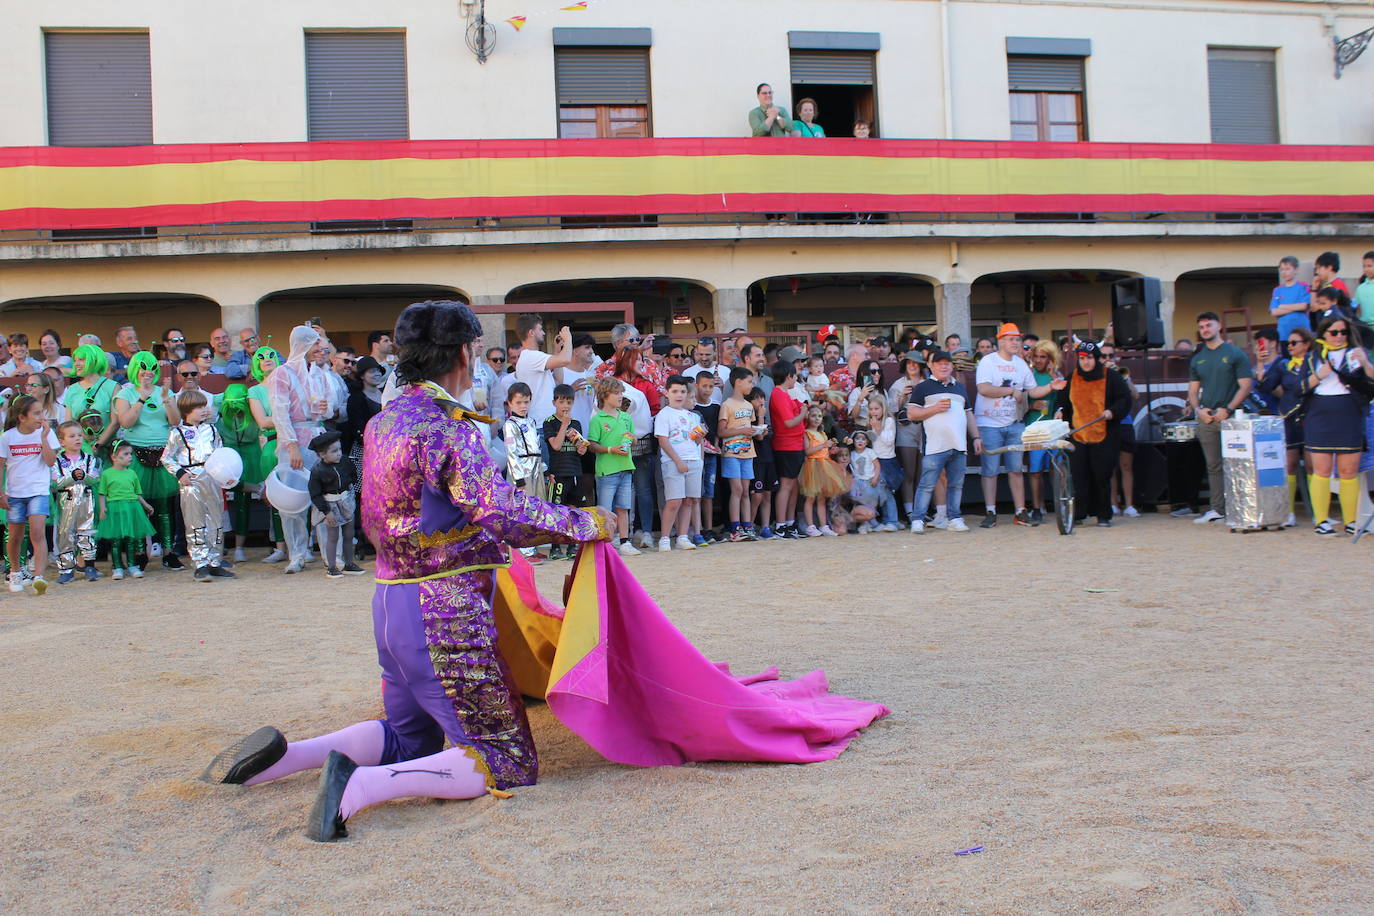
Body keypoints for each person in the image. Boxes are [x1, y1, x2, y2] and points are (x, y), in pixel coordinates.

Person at [208, 300, 615, 843]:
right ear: (466, 354)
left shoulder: (382, 422)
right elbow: (500, 512)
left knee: (408, 737)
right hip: (447, 611)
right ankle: (359, 787)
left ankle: (283, 758)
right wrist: (586, 521)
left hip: (390, 603)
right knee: (506, 761)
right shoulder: (450, 428)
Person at [974, 323, 1062, 528]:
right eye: (1012, 339)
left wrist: (1050, 386)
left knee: (1016, 469)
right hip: (989, 423)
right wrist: (1010, 391)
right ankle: (990, 511)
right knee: (990, 469)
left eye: (1018, 339)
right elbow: (983, 388)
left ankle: (1020, 511)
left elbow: (1032, 391)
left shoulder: (1021, 364)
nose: (1016, 343)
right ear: (1001, 341)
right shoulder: (989, 361)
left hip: (1014, 423)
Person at [267, 325, 330, 574]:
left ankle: (328, 553)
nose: (319, 349)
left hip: (318, 436)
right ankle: (296, 553)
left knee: (325, 496)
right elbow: (280, 411)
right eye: (315, 344)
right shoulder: (282, 373)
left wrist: (324, 408)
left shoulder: (317, 372)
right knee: (292, 500)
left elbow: (328, 409)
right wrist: (291, 445)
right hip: (294, 438)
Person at [1303, 315, 1373, 536]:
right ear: (1324, 333)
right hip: (1320, 411)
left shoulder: (1356, 353)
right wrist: (1318, 376)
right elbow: (1298, 387)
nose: (1339, 336)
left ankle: (1351, 521)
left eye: (1343, 332)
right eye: (1334, 332)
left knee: (1348, 471)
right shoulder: (1313, 356)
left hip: (1349, 410)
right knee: (1322, 470)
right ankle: (1321, 521)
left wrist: (1365, 362)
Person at [114, 351, 182, 569]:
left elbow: (175, 420)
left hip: (162, 452)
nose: (148, 372)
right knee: (139, 507)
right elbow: (125, 422)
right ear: (135, 369)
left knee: (165, 507)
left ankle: (168, 553)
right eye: (143, 368)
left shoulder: (166, 391)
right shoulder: (126, 394)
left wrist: (166, 399)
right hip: (137, 453)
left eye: (152, 368)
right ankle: (140, 553)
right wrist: (142, 397)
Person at [1186, 312, 1254, 524]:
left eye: (1209, 325)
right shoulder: (1198, 358)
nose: (1205, 329)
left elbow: (1246, 385)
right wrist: (1199, 410)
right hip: (1207, 417)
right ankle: (1217, 509)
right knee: (1213, 465)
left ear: (1219, 327)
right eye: (1202, 326)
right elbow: (1192, 391)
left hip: (1232, 418)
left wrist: (1228, 409)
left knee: (1237, 464)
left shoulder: (1235, 354)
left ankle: (1240, 507)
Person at [1058, 342, 1133, 528]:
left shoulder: (1112, 377)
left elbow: (1124, 398)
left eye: (1089, 358)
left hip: (1105, 435)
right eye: (1082, 358)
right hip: (1079, 435)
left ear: (1096, 358)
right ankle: (1079, 513)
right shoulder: (1072, 378)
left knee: (1102, 475)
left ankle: (1103, 515)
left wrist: (1112, 411)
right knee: (1079, 476)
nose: (1086, 362)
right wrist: (1060, 411)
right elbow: (1063, 401)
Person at [162, 388, 234, 581]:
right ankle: (200, 563)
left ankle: (215, 562)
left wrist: (226, 472)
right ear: (187, 410)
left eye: (204, 406)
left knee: (216, 521)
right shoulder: (177, 433)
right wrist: (180, 473)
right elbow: (167, 458)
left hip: (212, 478)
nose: (204, 410)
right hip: (191, 479)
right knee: (195, 522)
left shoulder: (211, 429)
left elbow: (220, 453)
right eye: (198, 407)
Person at [906, 350, 978, 533]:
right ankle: (917, 519)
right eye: (939, 363)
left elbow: (968, 413)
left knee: (956, 484)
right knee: (927, 483)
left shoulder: (960, 388)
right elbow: (912, 414)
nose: (944, 366)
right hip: (934, 445)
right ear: (931, 365)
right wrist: (935, 408)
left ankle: (954, 518)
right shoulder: (923, 387)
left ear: (952, 366)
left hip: (959, 445)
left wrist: (976, 437)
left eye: (947, 363)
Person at [1257, 326, 1315, 527]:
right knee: (1289, 466)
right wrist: (1260, 365)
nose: (1290, 346)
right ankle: (1288, 512)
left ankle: (1318, 512)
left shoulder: (1314, 363)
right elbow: (1266, 386)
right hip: (1289, 418)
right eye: (1288, 343)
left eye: (1294, 343)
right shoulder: (1283, 365)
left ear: (1306, 344)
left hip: (1310, 417)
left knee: (1312, 466)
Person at [0, 395, 58, 594]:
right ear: (21, 417)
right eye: (36, 413)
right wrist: (0, 493)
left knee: (37, 532)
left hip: (38, 491)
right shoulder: (7, 437)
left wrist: (43, 439)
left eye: (41, 412)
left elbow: (51, 462)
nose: (40, 417)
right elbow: (0, 467)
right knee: (15, 536)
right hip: (15, 492)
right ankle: (15, 572)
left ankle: (39, 576)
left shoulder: (47, 434)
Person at [586, 377, 640, 557]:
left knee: (624, 507)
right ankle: (605, 543)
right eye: (616, 393)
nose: (620, 396)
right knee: (605, 509)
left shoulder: (626, 417)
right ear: (604, 395)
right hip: (607, 470)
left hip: (625, 467)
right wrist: (611, 449)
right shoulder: (597, 419)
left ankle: (624, 541)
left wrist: (633, 439)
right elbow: (592, 445)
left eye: (621, 393)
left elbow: (632, 439)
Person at [246, 347, 288, 564]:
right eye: (260, 357)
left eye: (271, 355)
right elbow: (262, 422)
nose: (266, 359)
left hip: (292, 442)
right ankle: (280, 546)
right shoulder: (255, 392)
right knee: (276, 498)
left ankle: (304, 545)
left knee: (301, 492)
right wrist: (286, 416)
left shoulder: (288, 386)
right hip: (272, 445)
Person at [654, 375, 705, 551]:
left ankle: (683, 536)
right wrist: (678, 461)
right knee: (673, 501)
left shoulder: (693, 416)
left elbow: (696, 442)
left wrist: (699, 439)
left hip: (693, 460)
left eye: (683, 391)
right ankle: (665, 538)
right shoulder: (664, 414)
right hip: (673, 462)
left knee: (689, 500)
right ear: (667, 393)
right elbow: (663, 441)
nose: (679, 395)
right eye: (675, 391)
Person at [306, 431, 362, 578]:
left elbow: (353, 476)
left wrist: (350, 495)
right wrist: (326, 511)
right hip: (330, 504)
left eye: (339, 449)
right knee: (333, 536)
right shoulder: (318, 471)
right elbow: (315, 494)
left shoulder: (345, 462)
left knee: (349, 534)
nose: (338, 453)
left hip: (346, 501)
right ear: (322, 455)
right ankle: (331, 567)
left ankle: (348, 563)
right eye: (334, 451)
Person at [51, 420, 102, 584]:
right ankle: (66, 569)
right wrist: (70, 478)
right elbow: (54, 483)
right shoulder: (57, 461)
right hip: (66, 503)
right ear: (62, 441)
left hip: (86, 502)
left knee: (87, 534)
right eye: (71, 436)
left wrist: (85, 477)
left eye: (79, 435)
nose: (77, 439)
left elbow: (95, 478)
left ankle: (89, 566)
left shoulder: (89, 459)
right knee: (65, 535)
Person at [95, 442, 155, 580]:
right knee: (115, 541)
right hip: (115, 508)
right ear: (114, 457)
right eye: (125, 454)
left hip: (131, 508)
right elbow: (102, 493)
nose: (130, 457)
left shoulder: (132, 473)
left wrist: (146, 505)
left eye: (130, 454)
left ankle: (132, 566)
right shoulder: (106, 474)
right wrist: (102, 508)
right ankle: (117, 567)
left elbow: (137, 493)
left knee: (130, 539)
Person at [543, 384, 589, 561]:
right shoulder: (549, 422)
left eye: (569, 402)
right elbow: (555, 445)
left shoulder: (576, 423)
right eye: (562, 401)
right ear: (554, 402)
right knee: (557, 510)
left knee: (574, 509)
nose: (565, 406)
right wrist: (563, 425)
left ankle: (572, 545)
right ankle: (555, 547)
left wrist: (581, 449)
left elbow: (581, 448)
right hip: (559, 472)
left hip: (575, 471)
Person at [216, 383, 261, 562]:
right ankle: (220, 545)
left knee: (244, 502)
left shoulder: (254, 415)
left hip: (250, 457)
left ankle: (239, 546)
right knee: (219, 503)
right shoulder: (219, 417)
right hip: (228, 457)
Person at [718, 366, 762, 541]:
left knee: (745, 490)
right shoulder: (727, 405)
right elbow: (721, 432)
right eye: (749, 382)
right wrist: (743, 430)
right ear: (738, 382)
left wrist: (755, 429)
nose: (752, 385)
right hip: (731, 453)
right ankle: (735, 528)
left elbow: (750, 429)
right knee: (736, 489)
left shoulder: (749, 405)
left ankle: (747, 526)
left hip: (748, 453)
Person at [1023, 340, 1062, 525]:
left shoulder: (1057, 376)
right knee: (1035, 470)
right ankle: (1037, 507)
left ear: (1050, 358)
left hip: (1053, 426)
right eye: (1036, 356)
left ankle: (1059, 503)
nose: (1038, 360)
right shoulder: (1029, 375)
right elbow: (1019, 401)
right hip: (1034, 425)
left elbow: (1063, 398)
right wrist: (1032, 405)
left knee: (1057, 468)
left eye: (1043, 357)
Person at [768, 360, 807, 539]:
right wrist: (803, 413)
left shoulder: (784, 394)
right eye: (794, 376)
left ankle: (790, 523)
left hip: (794, 444)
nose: (795, 379)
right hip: (786, 444)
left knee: (792, 485)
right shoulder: (779, 394)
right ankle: (781, 524)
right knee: (786, 485)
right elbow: (789, 422)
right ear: (788, 376)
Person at [512, 314, 574, 426]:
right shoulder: (531, 356)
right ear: (531, 332)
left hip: (545, 423)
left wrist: (557, 351)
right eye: (540, 329)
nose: (544, 333)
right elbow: (565, 360)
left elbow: (558, 381)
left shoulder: (531, 357)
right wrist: (568, 339)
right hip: (540, 423)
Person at [62, 344, 118, 456]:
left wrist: (98, 444)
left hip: (106, 449)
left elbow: (115, 422)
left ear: (94, 361)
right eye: (75, 360)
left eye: (81, 360)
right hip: (79, 450)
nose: (76, 364)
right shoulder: (72, 389)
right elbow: (68, 423)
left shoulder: (113, 387)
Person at [799, 407, 845, 537]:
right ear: (808, 417)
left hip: (825, 465)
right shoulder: (807, 433)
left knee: (822, 498)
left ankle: (823, 525)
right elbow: (807, 451)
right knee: (811, 497)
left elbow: (824, 451)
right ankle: (810, 526)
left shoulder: (823, 434)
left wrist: (831, 451)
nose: (817, 418)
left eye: (819, 416)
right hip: (813, 466)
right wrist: (824, 445)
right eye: (813, 415)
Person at [690, 372, 722, 544]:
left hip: (711, 456)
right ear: (696, 385)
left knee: (709, 493)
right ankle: (697, 529)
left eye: (711, 386)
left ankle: (708, 529)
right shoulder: (692, 409)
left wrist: (716, 444)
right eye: (704, 386)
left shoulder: (716, 407)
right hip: (695, 455)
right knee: (696, 494)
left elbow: (716, 430)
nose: (708, 390)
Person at [848, 428, 897, 533]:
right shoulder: (851, 454)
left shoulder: (870, 452)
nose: (860, 441)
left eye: (863, 439)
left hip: (870, 481)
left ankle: (872, 522)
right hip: (858, 483)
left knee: (872, 503)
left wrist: (875, 478)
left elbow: (877, 466)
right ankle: (866, 523)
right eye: (857, 439)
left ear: (867, 442)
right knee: (861, 503)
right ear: (853, 441)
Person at [745, 386, 777, 538]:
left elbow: (768, 434)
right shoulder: (751, 418)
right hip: (756, 460)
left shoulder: (766, 417)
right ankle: (749, 525)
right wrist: (761, 417)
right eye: (756, 398)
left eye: (762, 397)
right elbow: (759, 437)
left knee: (767, 494)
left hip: (768, 458)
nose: (760, 401)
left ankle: (765, 526)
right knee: (757, 495)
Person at [1270, 256, 1312, 346]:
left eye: (1287, 269)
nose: (1284, 272)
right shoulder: (1277, 290)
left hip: (1302, 331)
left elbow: (1304, 306)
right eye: (1282, 269)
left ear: (1296, 270)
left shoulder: (1304, 286)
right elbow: (1274, 311)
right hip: (1284, 333)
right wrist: (1295, 307)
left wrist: (1282, 306)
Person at [682, 338, 730, 405]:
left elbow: (732, 398)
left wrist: (723, 387)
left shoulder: (726, 371)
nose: (704, 358)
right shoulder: (687, 373)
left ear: (715, 352)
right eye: (701, 354)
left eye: (707, 355)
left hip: (721, 412)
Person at [1357, 250, 1374, 326]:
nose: (1366, 269)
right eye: (1364, 266)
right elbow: (1357, 308)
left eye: (1369, 266)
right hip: (1365, 327)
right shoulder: (1360, 288)